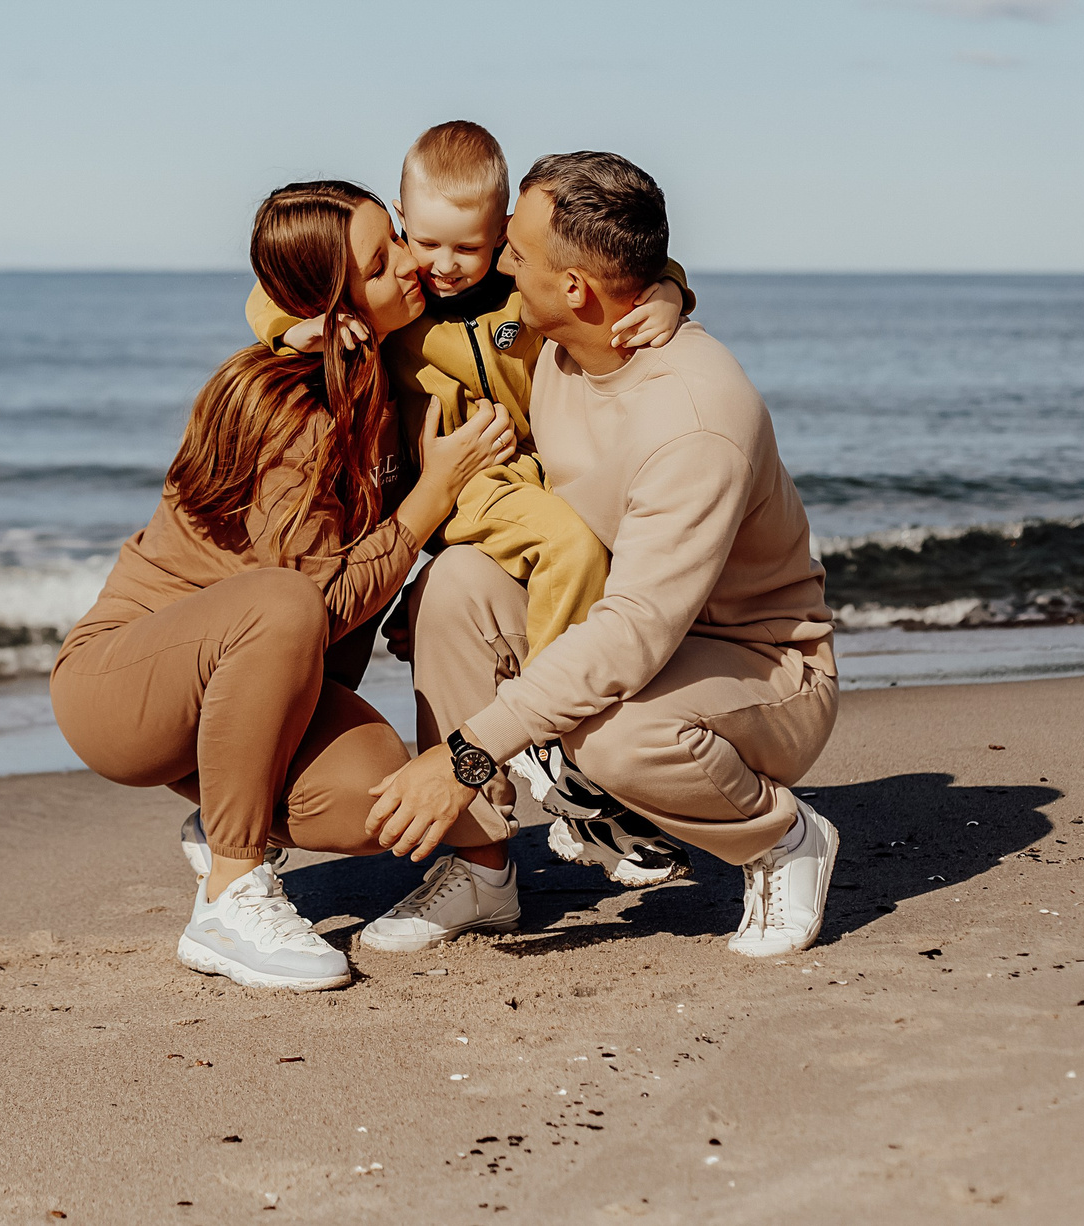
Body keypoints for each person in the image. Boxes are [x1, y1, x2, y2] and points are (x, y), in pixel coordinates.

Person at [364, 152, 843, 959]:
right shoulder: (544, 341)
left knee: (612, 738)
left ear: (577, 288)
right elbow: (477, 328)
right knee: (454, 588)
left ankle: (783, 838)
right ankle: (483, 871)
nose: (499, 265)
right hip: (640, 627)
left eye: (512, 252)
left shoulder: (691, 424)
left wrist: (471, 749)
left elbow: (632, 634)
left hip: (761, 668)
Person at [52, 179, 521, 992]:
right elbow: (319, 606)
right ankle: (231, 891)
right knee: (285, 600)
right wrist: (426, 504)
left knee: (387, 799)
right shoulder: (283, 403)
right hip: (121, 688)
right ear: (336, 306)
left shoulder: (377, 369)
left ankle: (232, 809)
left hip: (240, 686)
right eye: (382, 264)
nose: (412, 265)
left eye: (397, 241)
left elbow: (530, 269)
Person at [243, 123, 699, 886]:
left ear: (503, 238)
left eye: (472, 247)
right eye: (425, 243)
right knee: (572, 550)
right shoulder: (400, 303)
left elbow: (602, 269)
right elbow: (270, 292)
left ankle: (547, 725)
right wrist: (300, 325)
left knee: (589, 551)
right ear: (398, 221)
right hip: (459, 476)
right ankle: (550, 734)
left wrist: (669, 289)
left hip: (526, 470)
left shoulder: (518, 300)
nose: (445, 266)